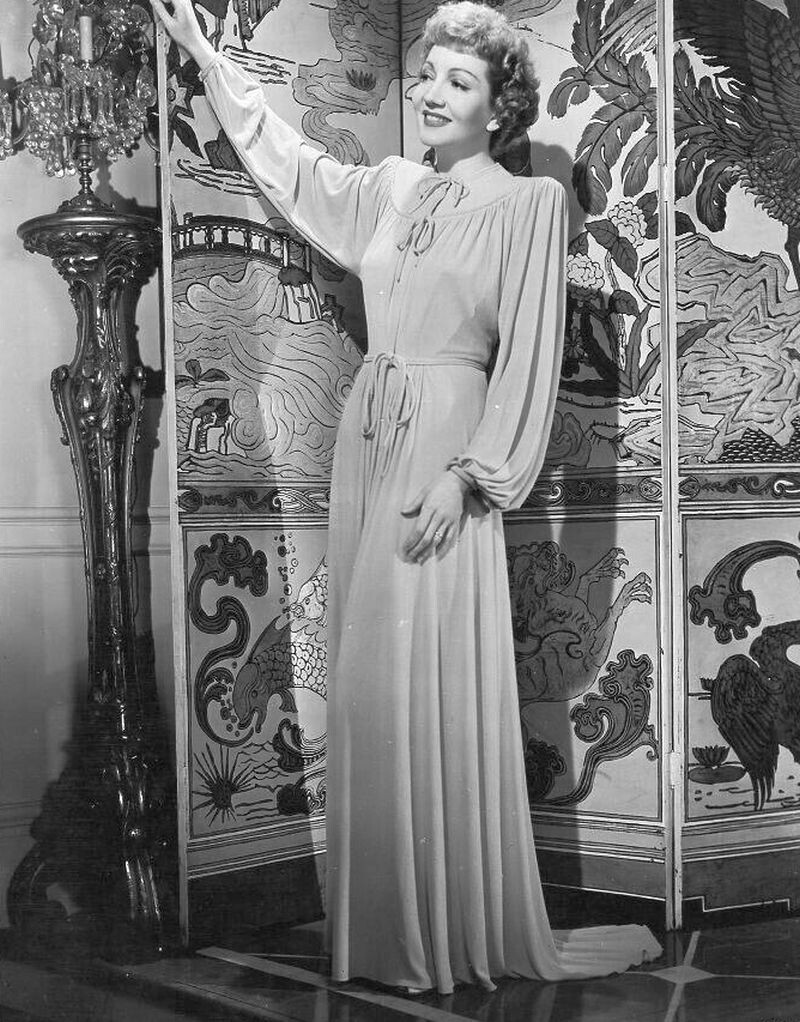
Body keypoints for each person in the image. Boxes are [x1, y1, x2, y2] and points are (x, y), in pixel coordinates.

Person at [151, 0, 662, 995]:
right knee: (371, 682)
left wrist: (472, 475)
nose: (430, 91)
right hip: (369, 432)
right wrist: (209, 58)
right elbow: (295, 166)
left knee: (419, 668)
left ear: (498, 106)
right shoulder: (389, 187)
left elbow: (529, 356)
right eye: (426, 72)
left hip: (446, 442)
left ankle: (444, 925)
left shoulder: (529, 205)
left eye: (456, 81)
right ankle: (387, 931)